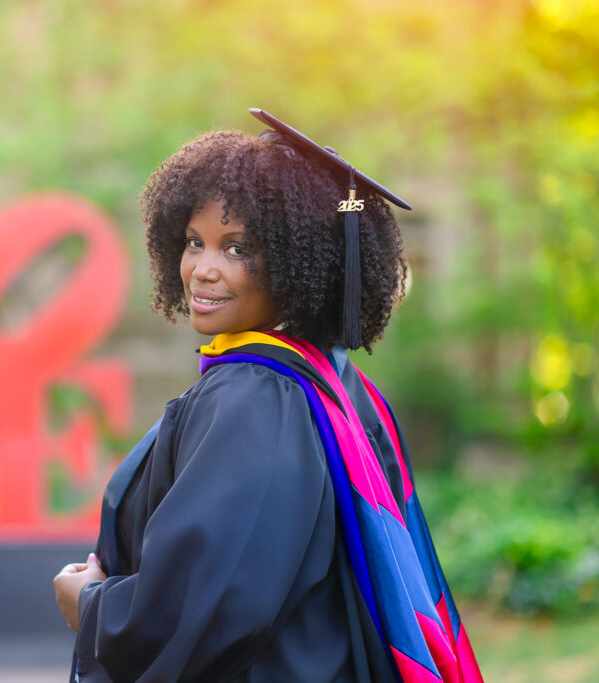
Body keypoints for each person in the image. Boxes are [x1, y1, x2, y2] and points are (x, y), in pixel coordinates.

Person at [54, 111, 482, 683]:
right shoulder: (328, 380)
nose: (202, 270)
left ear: (300, 258)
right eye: (194, 242)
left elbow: (216, 600)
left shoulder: (257, 395)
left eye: (237, 248)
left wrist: (92, 607)